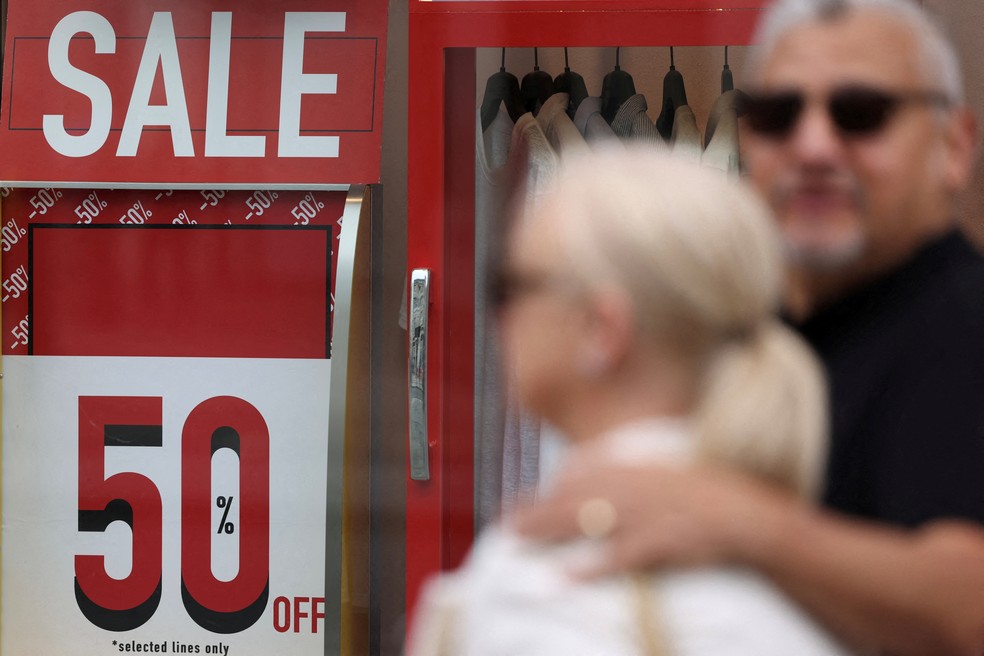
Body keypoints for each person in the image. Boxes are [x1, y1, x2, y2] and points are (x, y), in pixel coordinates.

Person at [512, 0, 984, 654]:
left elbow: (968, 608)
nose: (813, 146)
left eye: (861, 113)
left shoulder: (960, 330)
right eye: (777, 115)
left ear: (954, 146)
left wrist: (736, 519)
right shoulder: (768, 325)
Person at [406, 149, 853, 655]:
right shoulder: (824, 577)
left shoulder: (551, 578)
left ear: (602, 330)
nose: (499, 318)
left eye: (510, 287)